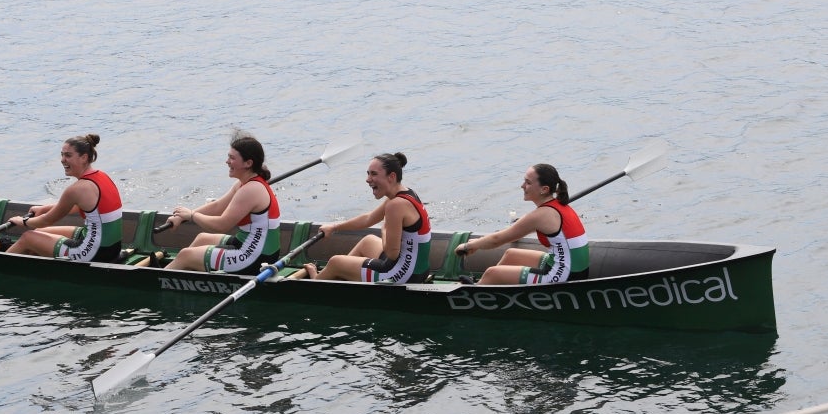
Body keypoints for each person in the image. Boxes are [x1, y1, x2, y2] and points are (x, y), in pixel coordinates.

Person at [303, 152, 432, 283]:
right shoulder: (405, 194)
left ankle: (317, 279)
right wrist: (334, 227)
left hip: (402, 275)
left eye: (374, 174)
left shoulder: (396, 205)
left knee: (335, 261)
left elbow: (392, 254)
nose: (368, 179)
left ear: (391, 177)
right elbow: (368, 218)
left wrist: (385, 229)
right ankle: (339, 277)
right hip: (417, 269)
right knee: (367, 241)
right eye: (368, 173)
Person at [454, 163, 589, 285]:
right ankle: (487, 286)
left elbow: (497, 240)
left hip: (564, 276)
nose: (522, 186)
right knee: (511, 254)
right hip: (571, 268)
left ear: (544, 189)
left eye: (528, 182)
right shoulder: (558, 205)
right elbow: (517, 232)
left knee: (492, 273)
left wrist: (470, 245)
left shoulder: (541, 215)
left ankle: (475, 293)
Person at [0, 134, 124, 263]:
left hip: (94, 252)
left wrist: (21, 221)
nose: (62, 159)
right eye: (62, 155)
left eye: (68, 155)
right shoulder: (102, 176)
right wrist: (44, 208)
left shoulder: (77, 189)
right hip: (111, 248)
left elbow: (46, 220)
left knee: (28, 237)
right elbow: (80, 206)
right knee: (39, 232)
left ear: (84, 157)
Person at [166, 135, 281, 273]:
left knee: (185, 255)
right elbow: (218, 206)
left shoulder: (251, 189)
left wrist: (192, 215)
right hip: (251, 246)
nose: (227, 161)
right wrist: (182, 217)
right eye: (228, 156)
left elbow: (222, 225)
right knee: (202, 239)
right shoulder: (244, 183)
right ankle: (184, 275)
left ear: (248, 163)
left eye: (232, 158)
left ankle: (157, 280)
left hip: (256, 257)